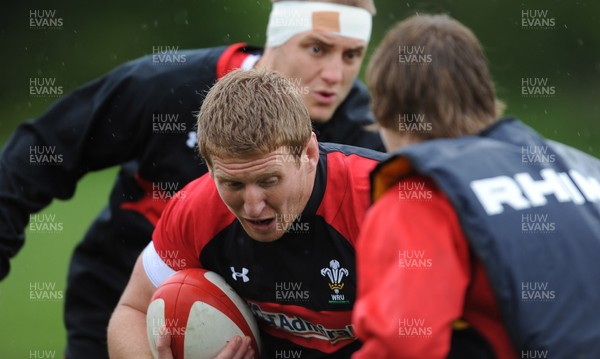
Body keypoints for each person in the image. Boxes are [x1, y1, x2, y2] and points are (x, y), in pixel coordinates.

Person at [0, 1, 382, 358]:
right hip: (121, 287)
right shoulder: (170, 85)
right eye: (317, 49)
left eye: (351, 56)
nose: (334, 75)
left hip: (273, 321)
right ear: (277, 36)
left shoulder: (364, 142)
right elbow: (41, 152)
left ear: (310, 153)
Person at [351, 13, 600, 359]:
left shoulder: (422, 194)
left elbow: (404, 344)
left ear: (384, 107)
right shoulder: (584, 169)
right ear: (483, 93)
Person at [107, 68, 388, 358]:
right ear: (210, 167)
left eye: (269, 181)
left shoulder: (385, 202)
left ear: (309, 154)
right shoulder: (196, 209)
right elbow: (133, 311)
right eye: (233, 184)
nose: (253, 207)